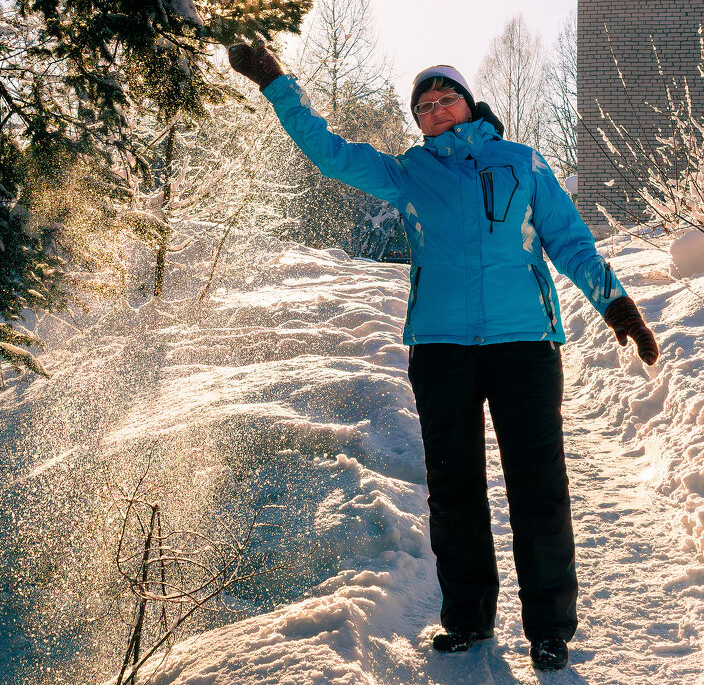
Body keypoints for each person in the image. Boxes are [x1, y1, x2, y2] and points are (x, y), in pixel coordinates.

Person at [228, 41, 659, 672]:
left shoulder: (522, 163)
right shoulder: (408, 172)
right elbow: (328, 154)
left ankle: (548, 627)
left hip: (524, 346)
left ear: (468, 102)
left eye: (444, 98)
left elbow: (568, 240)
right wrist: (276, 83)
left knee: (538, 488)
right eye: (423, 106)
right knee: (453, 488)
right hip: (440, 349)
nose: (435, 111)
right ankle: (467, 617)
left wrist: (615, 304)